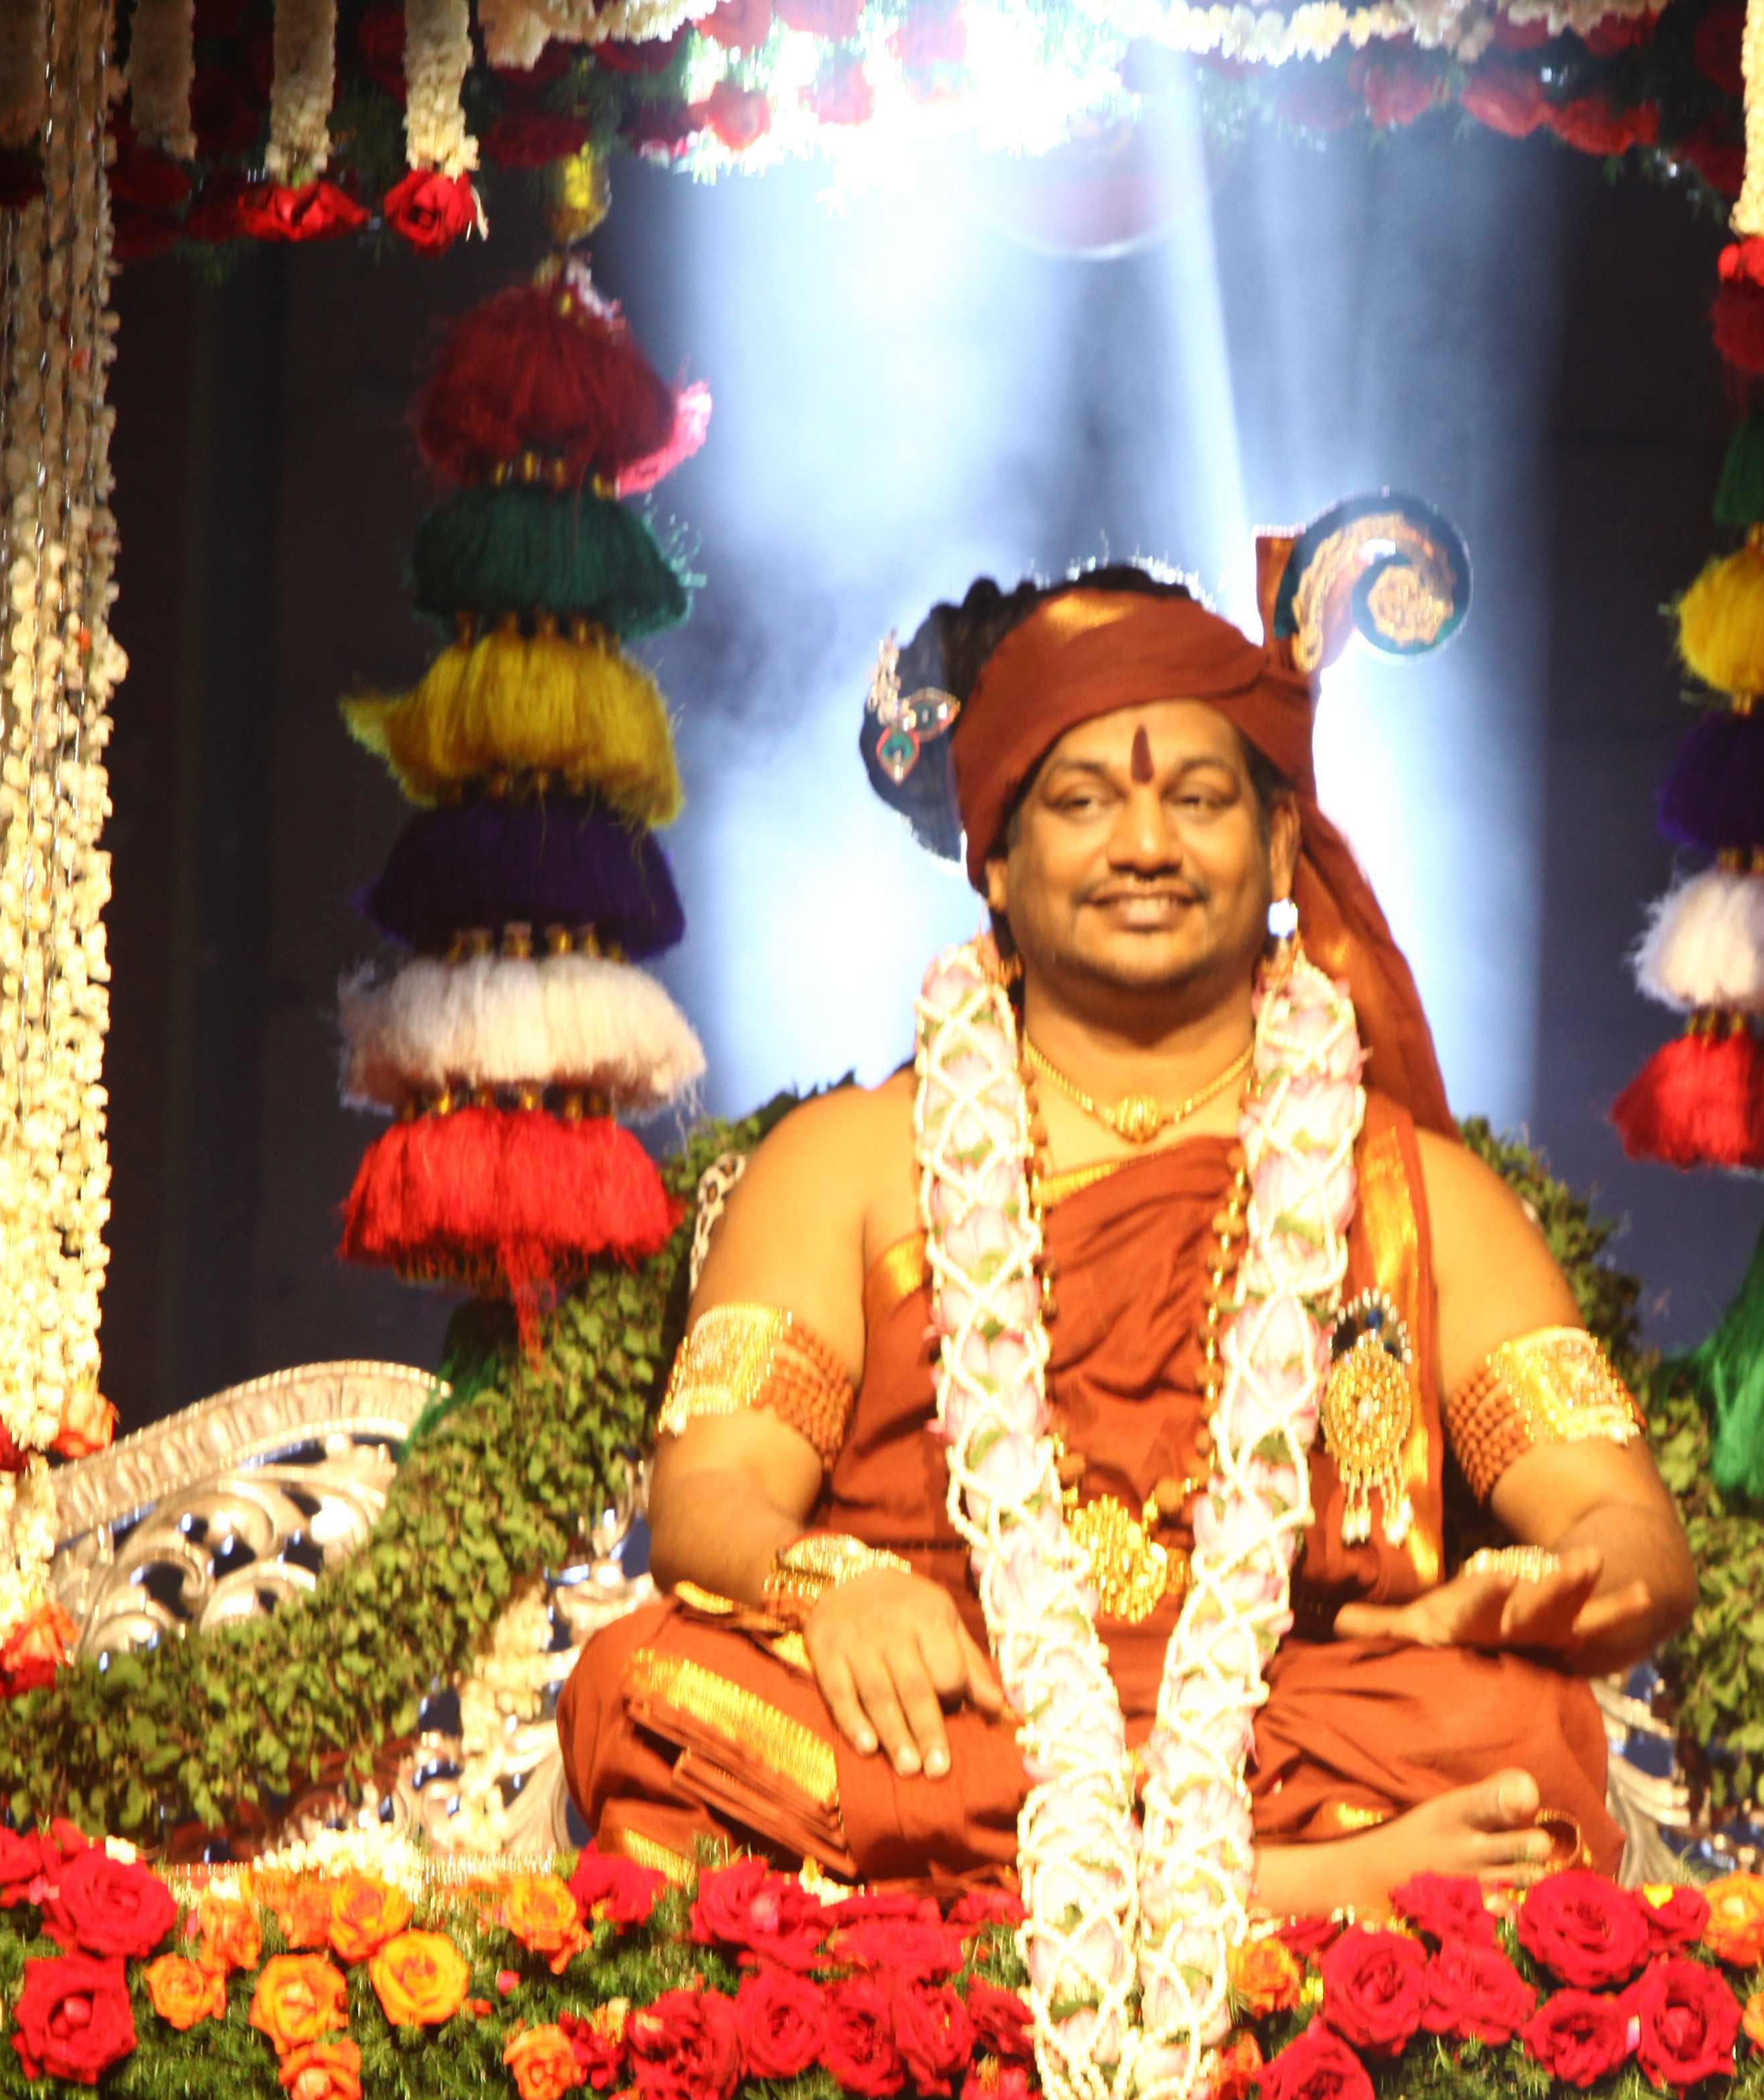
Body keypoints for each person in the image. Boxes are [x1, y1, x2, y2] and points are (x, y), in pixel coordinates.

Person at [560, 512, 1697, 1913]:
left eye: (1201, 801)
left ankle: (1040, 1900)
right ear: (995, 859)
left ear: (1280, 848)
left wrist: (1562, 1583)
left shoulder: (1416, 1197)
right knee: (652, 1683)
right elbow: (710, 1498)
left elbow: (1624, 1522)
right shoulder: (847, 1166)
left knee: (1513, 1722)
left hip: (1298, 1724)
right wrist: (833, 1584)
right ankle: (1301, 1893)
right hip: (956, 1709)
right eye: (1085, 802)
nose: (1147, 845)